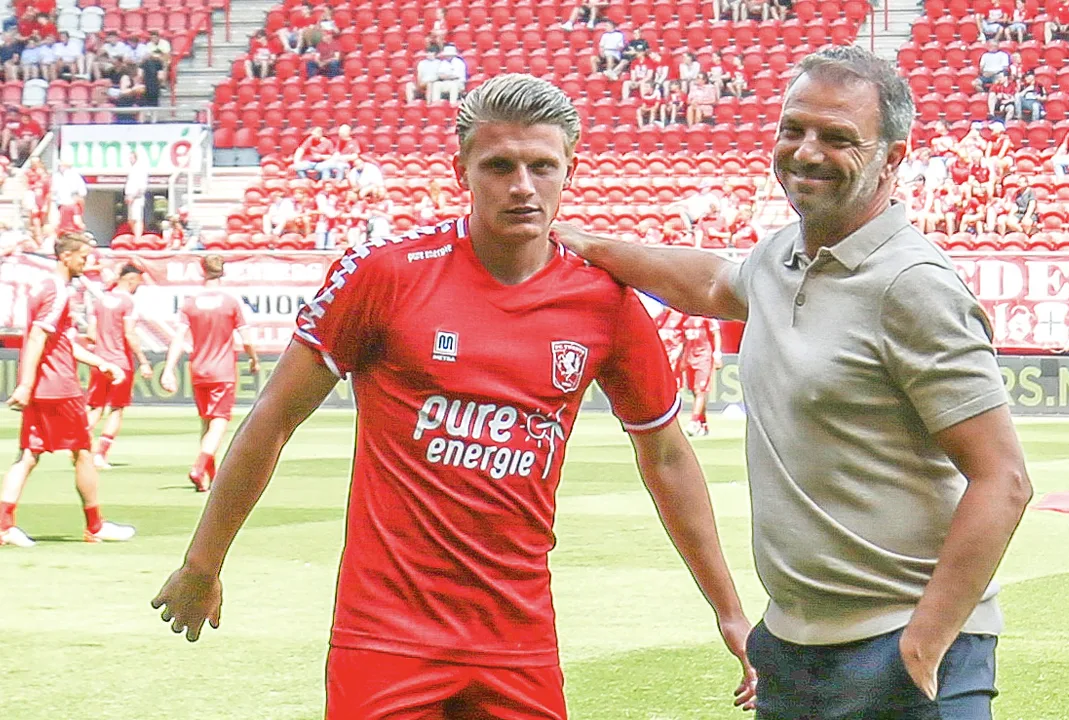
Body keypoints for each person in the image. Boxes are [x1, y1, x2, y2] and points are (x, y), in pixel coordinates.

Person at [150, 74, 757, 719]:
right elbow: (273, 418)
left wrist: (730, 611)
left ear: (570, 171)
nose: (522, 186)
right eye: (499, 166)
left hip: (519, 639)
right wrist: (203, 561)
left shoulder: (604, 303)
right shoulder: (384, 274)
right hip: (386, 636)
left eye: (542, 166)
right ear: (461, 170)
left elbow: (665, 455)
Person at [553, 46, 1032, 718]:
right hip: (791, 649)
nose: (806, 152)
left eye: (837, 137)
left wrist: (923, 646)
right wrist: (589, 247)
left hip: (901, 649)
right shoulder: (783, 255)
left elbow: (1003, 479)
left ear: (892, 158)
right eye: (793, 129)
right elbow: (712, 283)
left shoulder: (912, 286)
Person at [0, 233, 136, 547]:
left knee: (28, 455)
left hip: (43, 386)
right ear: (66, 256)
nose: (86, 263)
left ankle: (5, 525)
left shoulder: (42, 287)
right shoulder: (58, 291)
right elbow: (38, 336)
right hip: (60, 386)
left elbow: (62, 342)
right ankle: (95, 526)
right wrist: (25, 384)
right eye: (83, 257)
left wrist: (100, 362)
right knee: (83, 453)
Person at [159, 255, 259, 492]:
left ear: (201, 270)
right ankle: (199, 467)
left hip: (199, 370)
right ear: (223, 271)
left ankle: (208, 478)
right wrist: (253, 359)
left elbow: (178, 338)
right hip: (222, 371)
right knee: (219, 422)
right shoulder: (230, 302)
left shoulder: (190, 303)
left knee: (205, 421)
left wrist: (169, 368)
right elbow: (246, 338)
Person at [86, 262, 153, 469]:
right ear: (130, 279)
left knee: (95, 407)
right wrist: (143, 361)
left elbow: (90, 334)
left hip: (99, 361)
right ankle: (100, 455)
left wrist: (103, 345)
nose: (137, 287)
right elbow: (129, 333)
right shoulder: (128, 302)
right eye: (137, 283)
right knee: (116, 409)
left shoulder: (99, 301)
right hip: (120, 363)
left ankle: (81, 449)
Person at [124, 151, 147, 237]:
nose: (130, 160)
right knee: (130, 220)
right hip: (130, 197)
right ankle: (135, 234)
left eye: (131, 158)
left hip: (137, 197)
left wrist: (133, 196)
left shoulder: (140, 169)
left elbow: (142, 187)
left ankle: (138, 237)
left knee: (137, 218)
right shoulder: (131, 170)